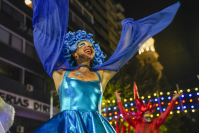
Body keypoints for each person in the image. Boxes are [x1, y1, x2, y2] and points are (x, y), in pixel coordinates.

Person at [32, 0, 180, 132]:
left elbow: (121, 56)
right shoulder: (61, 74)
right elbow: (46, 43)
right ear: (74, 54)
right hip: (68, 126)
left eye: (91, 46)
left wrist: (129, 31)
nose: (88, 46)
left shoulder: (101, 75)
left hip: (96, 126)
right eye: (82, 44)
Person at [114, 82, 182, 133]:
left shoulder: (155, 123)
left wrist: (173, 99)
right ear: (142, 115)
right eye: (147, 113)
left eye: (150, 113)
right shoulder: (136, 124)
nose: (149, 115)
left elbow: (166, 113)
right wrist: (119, 100)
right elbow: (125, 115)